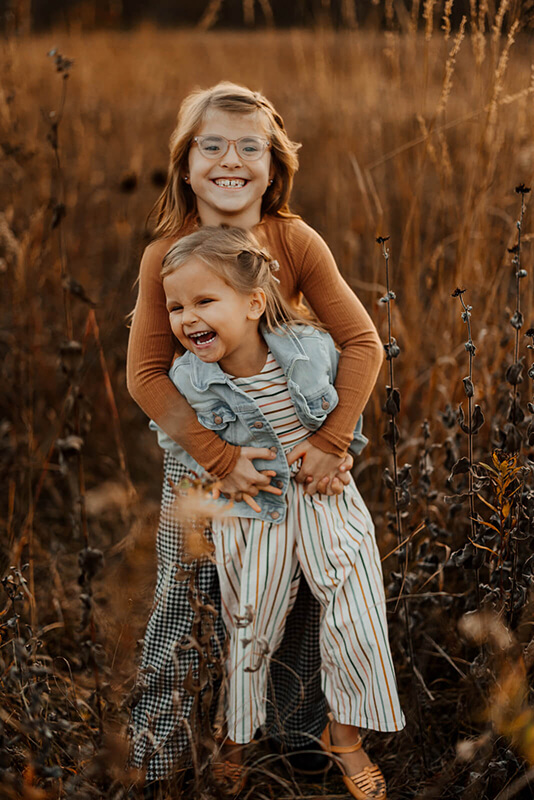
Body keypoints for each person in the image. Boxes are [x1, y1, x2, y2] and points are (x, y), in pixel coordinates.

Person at [126, 81, 386, 788]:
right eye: (211, 145)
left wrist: (333, 441)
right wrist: (218, 460)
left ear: (274, 167)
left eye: (250, 147)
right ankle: (160, 753)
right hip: (205, 472)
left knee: (297, 601)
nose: (230, 160)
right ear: (186, 164)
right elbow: (148, 375)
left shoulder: (293, 240)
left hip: (295, 468)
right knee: (188, 598)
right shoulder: (165, 256)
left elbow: (362, 342)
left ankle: (293, 735)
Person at [152, 225, 405, 799]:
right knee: (252, 627)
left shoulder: (309, 348)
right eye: (176, 306)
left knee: (358, 618)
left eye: (204, 301)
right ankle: (235, 739)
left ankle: (345, 737)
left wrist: (339, 452)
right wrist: (217, 474)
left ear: (253, 303)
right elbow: (176, 442)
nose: (188, 318)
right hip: (252, 513)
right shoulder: (189, 379)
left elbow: (346, 407)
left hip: (324, 502)